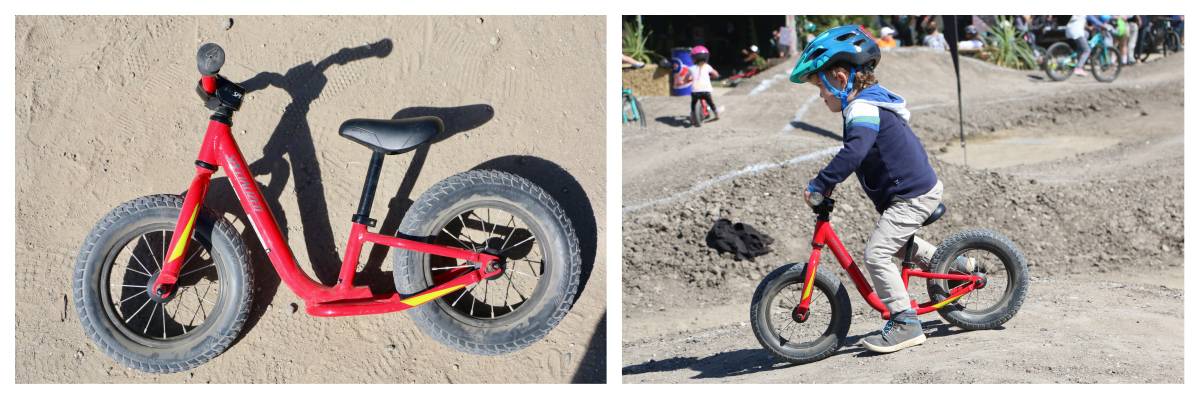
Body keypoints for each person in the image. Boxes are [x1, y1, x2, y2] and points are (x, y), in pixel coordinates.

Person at [789, 25, 974, 354]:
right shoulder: (865, 104)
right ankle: (959, 269)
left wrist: (822, 183)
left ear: (841, 78)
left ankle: (905, 323)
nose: (821, 96)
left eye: (821, 87)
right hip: (909, 191)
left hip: (912, 194)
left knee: (877, 254)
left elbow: (854, 152)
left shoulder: (863, 108)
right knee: (898, 248)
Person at [683, 45, 720, 121]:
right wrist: (713, 77)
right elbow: (716, 74)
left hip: (695, 91)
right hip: (706, 90)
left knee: (693, 104)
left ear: (693, 58)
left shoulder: (691, 68)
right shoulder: (707, 67)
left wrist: (688, 80)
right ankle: (716, 114)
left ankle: (693, 115)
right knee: (711, 103)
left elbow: (685, 79)